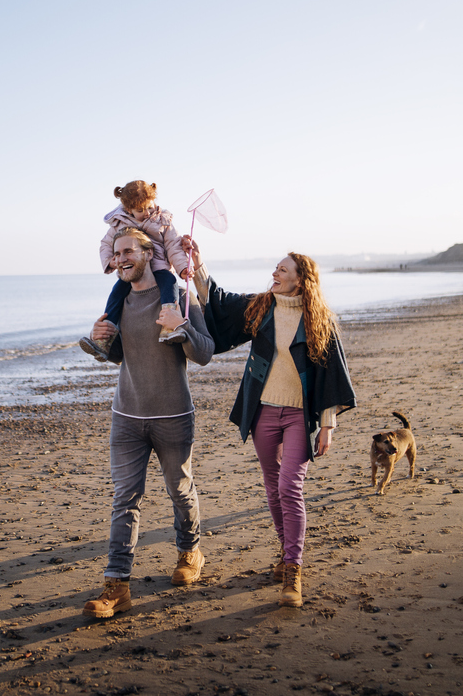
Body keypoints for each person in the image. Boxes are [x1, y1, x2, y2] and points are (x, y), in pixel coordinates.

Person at [185, 237, 355, 608]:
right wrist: (197, 263)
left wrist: (327, 425)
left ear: (301, 280)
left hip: (297, 416)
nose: (274, 273)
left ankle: (293, 568)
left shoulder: (317, 319)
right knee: (273, 485)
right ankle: (284, 550)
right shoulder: (260, 307)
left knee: (290, 487)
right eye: (275, 268)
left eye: (282, 269)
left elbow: (330, 374)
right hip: (262, 412)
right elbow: (220, 300)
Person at [82, 228, 214, 618]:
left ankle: (190, 553)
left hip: (173, 415)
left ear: (147, 252)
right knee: (125, 498)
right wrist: (101, 339)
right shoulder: (119, 301)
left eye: (128, 251)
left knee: (179, 489)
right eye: (116, 252)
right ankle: (116, 584)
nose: (120, 258)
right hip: (126, 415)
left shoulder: (178, 296)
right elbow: (122, 356)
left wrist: (182, 325)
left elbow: (204, 353)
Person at [80, 180, 192, 362]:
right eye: (141, 211)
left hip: (160, 267)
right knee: (116, 293)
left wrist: (183, 268)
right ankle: (104, 338)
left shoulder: (162, 220)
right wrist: (111, 262)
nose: (147, 213)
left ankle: (169, 327)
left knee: (170, 284)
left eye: (149, 207)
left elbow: (173, 245)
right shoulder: (119, 223)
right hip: (131, 272)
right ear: (128, 209)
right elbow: (106, 245)